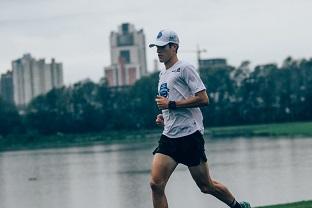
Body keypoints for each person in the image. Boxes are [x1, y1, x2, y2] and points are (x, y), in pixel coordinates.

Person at [149, 29, 251, 208]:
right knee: (156, 185)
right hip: (169, 137)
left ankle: (237, 206)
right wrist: (165, 116)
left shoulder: (185, 68)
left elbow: (203, 99)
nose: (159, 51)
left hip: (190, 136)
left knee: (206, 186)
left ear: (174, 47)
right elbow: (170, 103)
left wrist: (171, 105)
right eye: (156, 47)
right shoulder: (162, 75)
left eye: (163, 47)